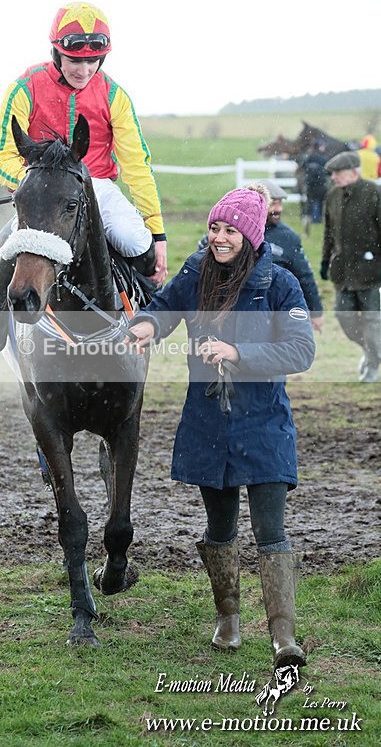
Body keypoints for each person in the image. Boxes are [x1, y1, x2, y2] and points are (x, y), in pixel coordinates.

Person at [128, 185, 315, 669]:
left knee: (271, 532)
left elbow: (301, 350)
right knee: (220, 527)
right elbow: (166, 306)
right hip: (208, 421)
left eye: (231, 230)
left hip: (264, 423)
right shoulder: (196, 273)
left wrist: (238, 354)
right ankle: (228, 618)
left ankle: (283, 636)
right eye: (215, 227)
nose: (220, 237)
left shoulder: (280, 284)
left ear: (250, 234)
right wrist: (147, 326)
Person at [0, 1, 167, 351]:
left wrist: (157, 231)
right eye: (74, 60)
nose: (83, 70)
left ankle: (149, 319)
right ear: (56, 54)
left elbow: (137, 164)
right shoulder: (25, 87)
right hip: (38, 187)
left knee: (138, 243)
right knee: (6, 244)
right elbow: (0, 155)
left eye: (92, 61)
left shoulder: (114, 96)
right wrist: (36, 184)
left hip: (95, 185)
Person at [199, 180, 324, 333]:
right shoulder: (221, 237)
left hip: (273, 311)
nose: (278, 209)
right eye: (273, 203)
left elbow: (304, 275)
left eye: (280, 203)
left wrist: (315, 310)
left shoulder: (288, 237)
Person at [320, 151, 381, 382]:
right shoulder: (333, 197)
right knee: (344, 316)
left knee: (372, 321)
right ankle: (372, 352)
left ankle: (372, 367)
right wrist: (325, 261)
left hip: (371, 272)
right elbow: (328, 234)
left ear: (353, 172)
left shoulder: (375, 194)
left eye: (337, 173)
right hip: (343, 273)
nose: (333, 177)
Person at [300, 139, 329, 233]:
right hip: (321, 185)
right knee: (322, 205)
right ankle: (322, 224)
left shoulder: (309, 157)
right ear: (319, 147)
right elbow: (329, 170)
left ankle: (306, 228)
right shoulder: (324, 158)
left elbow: (302, 166)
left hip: (310, 186)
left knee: (309, 206)